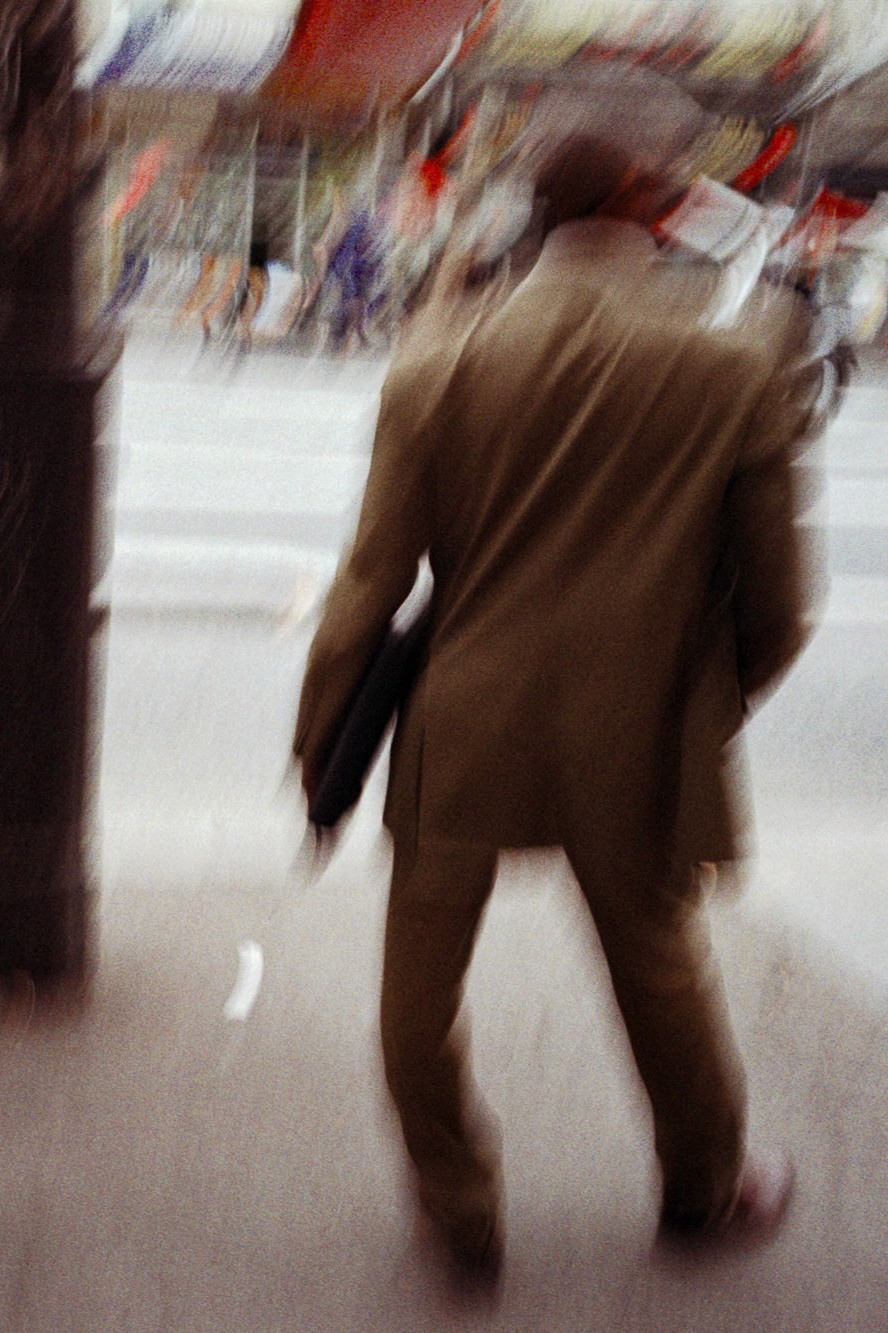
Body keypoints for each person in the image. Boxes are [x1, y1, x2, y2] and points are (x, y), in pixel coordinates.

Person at [293, 131, 825, 1290]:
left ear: (534, 216)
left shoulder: (437, 364)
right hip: (632, 742)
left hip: (459, 729)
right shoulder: (725, 370)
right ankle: (703, 1185)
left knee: (417, 992)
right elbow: (781, 605)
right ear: (648, 206)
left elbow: (365, 592)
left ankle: (461, 1210)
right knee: (659, 967)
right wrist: (695, 703)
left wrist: (318, 743)